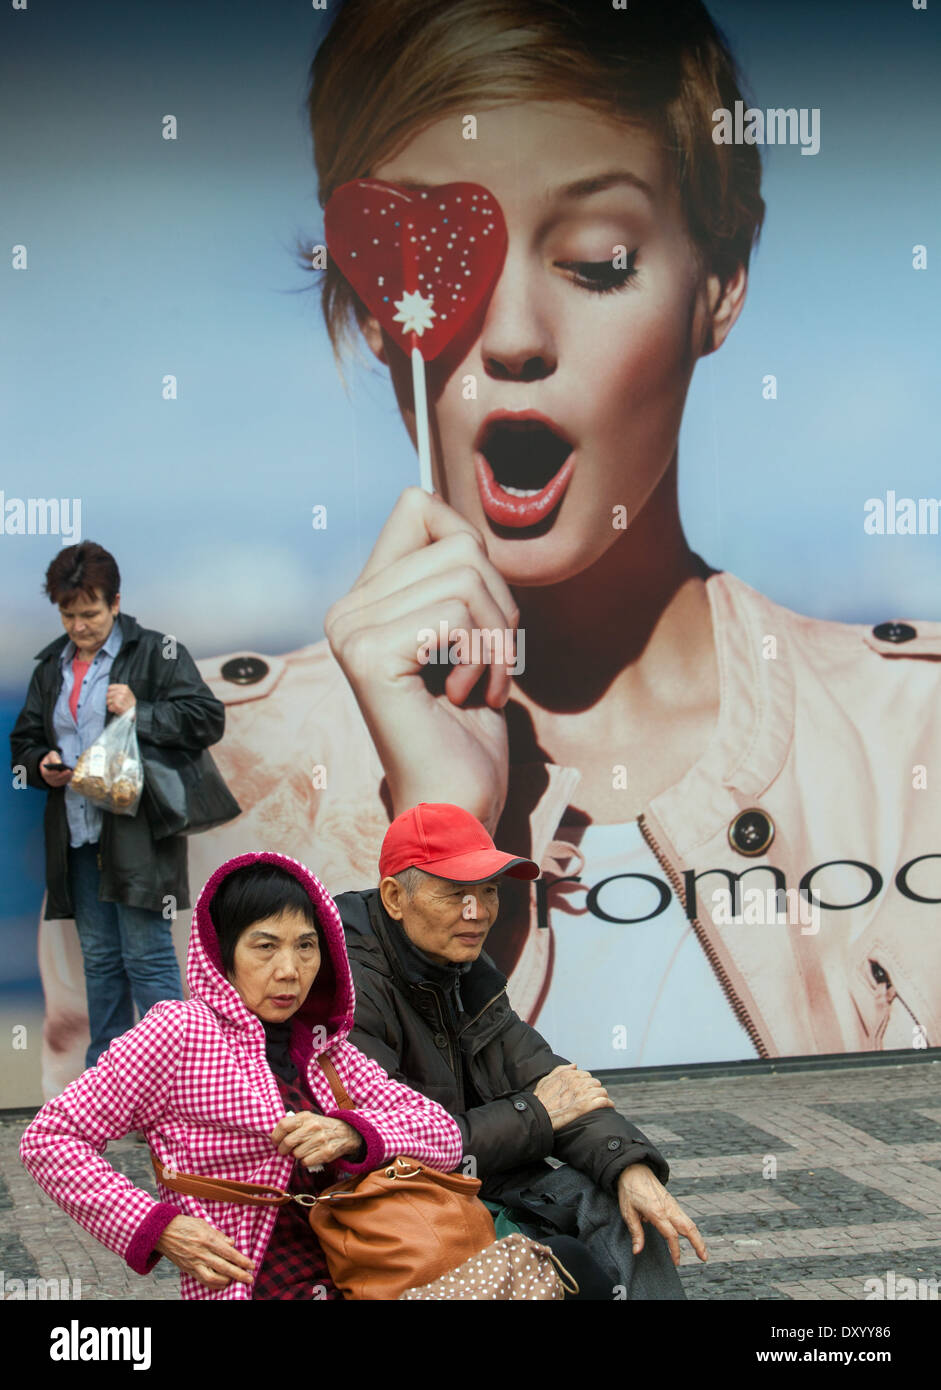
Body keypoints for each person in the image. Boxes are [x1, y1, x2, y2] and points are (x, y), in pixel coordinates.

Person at [32, 0, 941, 1093]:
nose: (512, 337)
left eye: (598, 260)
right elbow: (157, 1218)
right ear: (373, 305)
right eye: (436, 260)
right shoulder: (198, 785)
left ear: (720, 281)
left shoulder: (913, 748)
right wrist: (433, 843)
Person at [19, 852, 463, 1300]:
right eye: (265, 946)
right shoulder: (179, 1033)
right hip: (250, 1287)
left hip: (361, 1273)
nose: (289, 970)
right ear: (223, 955)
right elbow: (51, 1139)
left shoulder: (328, 1050)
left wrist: (352, 1132)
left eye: (306, 946)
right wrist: (161, 1228)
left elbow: (445, 1135)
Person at [336, 801, 705, 1299]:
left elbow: (549, 1081)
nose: (480, 912)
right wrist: (536, 1113)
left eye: (487, 891)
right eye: (455, 894)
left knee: (625, 1202)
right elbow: (400, 1141)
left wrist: (629, 1165)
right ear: (395, 897)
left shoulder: (463, 967)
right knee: (569, 1263)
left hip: (488, 1183)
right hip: (408, 1206)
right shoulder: (349, 986)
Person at [10, 541, 236, 1070]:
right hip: (77, 834)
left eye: (89, 613)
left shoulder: (155, 651)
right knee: (101, 965)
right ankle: (108, 1089)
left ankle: (177, 1086)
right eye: (68, 614)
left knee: (149, 960)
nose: (78, 625)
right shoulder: (51, 667)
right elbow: (23, 740)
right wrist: (41, 763)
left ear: (115, 603)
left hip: (139, 834)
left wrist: (142, 709)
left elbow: (207, 719)